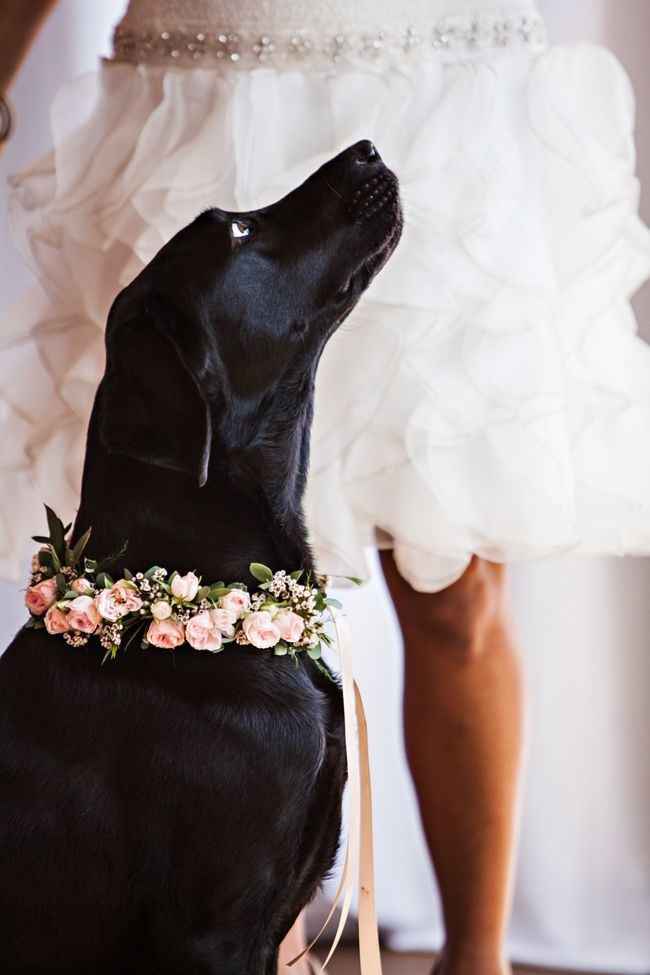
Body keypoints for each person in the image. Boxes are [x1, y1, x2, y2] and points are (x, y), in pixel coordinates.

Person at [2, 2, 650, 973]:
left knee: (450, 589)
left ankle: (476, 960)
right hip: (194, 101)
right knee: (182, 586)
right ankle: (261, 944)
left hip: (430, 97)